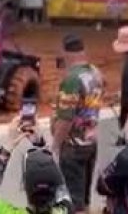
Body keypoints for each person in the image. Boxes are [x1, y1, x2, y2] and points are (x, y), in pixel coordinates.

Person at [51, 34, 104, 214]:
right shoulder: (95, 73)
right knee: (85, 199)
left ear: (65, 53)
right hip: (91, 142)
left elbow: (66, 118)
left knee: (74, 202)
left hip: (73, 146)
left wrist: (55, 146)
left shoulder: (72, 79)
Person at [0, 117, 73, 214]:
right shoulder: (63, 210)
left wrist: (7, 147)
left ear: (25, 185)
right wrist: (41, 145)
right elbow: (62, 188)